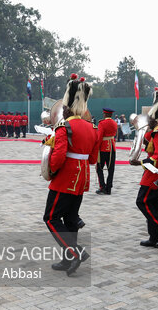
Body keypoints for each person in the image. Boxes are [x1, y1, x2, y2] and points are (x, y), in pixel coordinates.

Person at [43, 74, 98, 276]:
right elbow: (92, 159)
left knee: (51, 217)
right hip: (82, 178)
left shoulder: (64, 127)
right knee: (71, 218)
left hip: (65, 178)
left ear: (68, 106)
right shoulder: (93, 128)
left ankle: (75, 252)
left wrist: (51, 172)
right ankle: (68, 260)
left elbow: (57, 158)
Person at [130, 89, 158, 248]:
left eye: (150, 116)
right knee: (155, 204)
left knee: (142, 202)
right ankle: (154, 236)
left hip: (155, 173)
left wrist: (141, 162)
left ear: (155, 118)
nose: (148, 118)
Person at [96, 108, 118, 195]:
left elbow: (99, 137)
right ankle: (109, 188)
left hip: (103, 148)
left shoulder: (102, 123)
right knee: (111, 169)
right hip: (112, 147)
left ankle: (102, 187)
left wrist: (96, 148)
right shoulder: (114, 123)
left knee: (99, 168)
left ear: (104, 114)